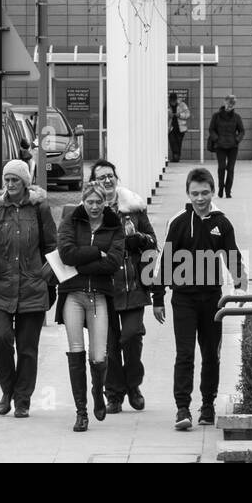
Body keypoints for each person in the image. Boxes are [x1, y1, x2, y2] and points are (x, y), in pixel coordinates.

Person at [152, 167, 246, 431]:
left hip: (212, 299)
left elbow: (232, 255)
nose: (200, 198)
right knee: (184, 354)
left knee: (211, 354)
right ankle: (182, 408)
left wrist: (239, 287)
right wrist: (158, 296)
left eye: (205, 192)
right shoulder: (179, 222)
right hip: (183, 299)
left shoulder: (222, 223)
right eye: (195, 193)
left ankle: (207, 405)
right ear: (187, 193)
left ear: (213, 192)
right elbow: (166, 260)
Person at [0, 159, 57, 419]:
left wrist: (48, 275)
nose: (10, 185)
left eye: (15, 180)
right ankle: (7, 390)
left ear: (25, 183)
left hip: (32, 287)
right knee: (0, 339)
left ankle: (23, 400)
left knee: (27, 348)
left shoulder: (39, 209)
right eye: (7, 180)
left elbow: (52, 246)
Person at [84, 161, 158, 415]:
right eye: (101, 177)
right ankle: (114, 394)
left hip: (133, 286)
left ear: (117, 178)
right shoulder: (89, 212)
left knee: (131, 336)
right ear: (93, 182)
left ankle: (133, 385)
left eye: (110, 176)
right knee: (110, 345)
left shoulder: (133, 208)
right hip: (103, 289)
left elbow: (153, 243)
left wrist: (139, 239)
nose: (107, 180)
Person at [56, 181, 121, 432]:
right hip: (73, 294)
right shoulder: (71, 220)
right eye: (90, 202)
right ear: (83, 201)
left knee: (99, 355)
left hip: (99, 296)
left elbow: (113, 263)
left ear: (105, 202)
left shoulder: (114, 225)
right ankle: (81, 411)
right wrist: (96, 252)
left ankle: (97, 392)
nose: (94, 206)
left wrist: (81, 262)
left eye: (99, 202)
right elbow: (66, 255)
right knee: (75, 351)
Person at [207, 94, 245, 198]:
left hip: (233, 146)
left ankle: (228, 191)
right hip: (220, 146)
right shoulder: (216, 116)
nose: (230, 107)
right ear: (225, 103)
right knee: (222, 167)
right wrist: (216, 139)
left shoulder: (237, 117)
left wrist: (237, 140)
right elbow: (211, 129)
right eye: (229, 104)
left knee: (230, 168)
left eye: (232, 105)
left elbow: (241, 131)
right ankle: (220, 189)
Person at [168, 93, 190, 162]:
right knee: (172, 142)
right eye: (172, 101)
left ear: (176, 99)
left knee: (178, 143)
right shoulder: (167, 105)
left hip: (180, 128)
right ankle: (176, 156)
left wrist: (179, 115)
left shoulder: (182, 105)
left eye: (174, 101)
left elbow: (187, 114)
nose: (173, 103)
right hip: (170, 127)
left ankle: (176, 157)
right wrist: (168, 115)